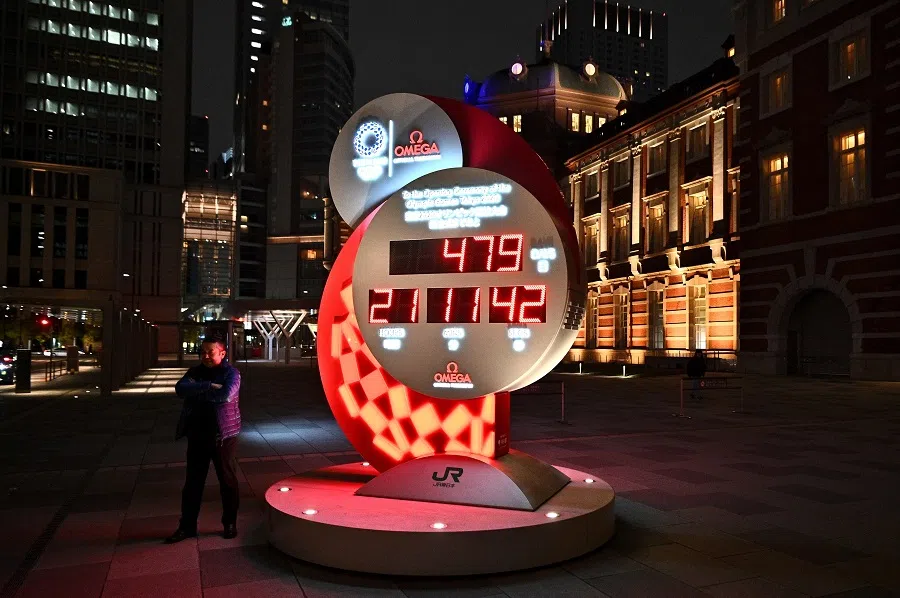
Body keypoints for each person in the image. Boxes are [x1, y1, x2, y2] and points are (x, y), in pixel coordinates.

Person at [166, 335, 242, 543]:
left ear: (222, 353)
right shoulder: (195, 372)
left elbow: (224, 396)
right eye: (203, 352)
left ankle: (229, 523)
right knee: (192, 483)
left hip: (222, 436)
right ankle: (187, 526)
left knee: (227, 481)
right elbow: (180, 389)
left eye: (211, 352)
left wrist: (197, 389)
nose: (206, 356)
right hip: (197, 434)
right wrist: (209, 386)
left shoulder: (231, 373)